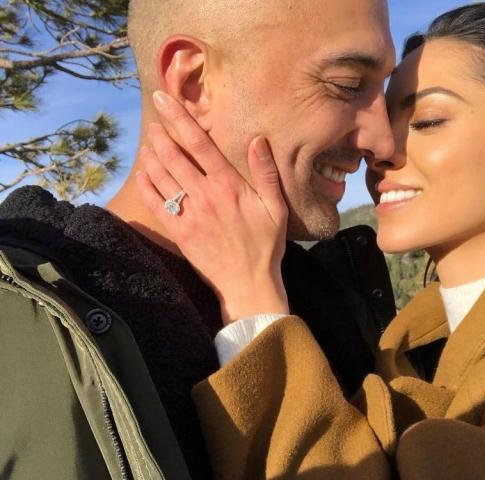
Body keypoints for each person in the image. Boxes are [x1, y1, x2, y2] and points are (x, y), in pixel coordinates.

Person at [138, 3, 485, 479]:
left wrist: (254, 306)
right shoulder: (400, 346)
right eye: (354, 92)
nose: (380, 148)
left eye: (427, 121)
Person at [0, 0, 399, 478]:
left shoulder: (327, 292)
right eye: (347, 85)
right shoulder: (22, 328)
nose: (384, 142)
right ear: (194, 82)